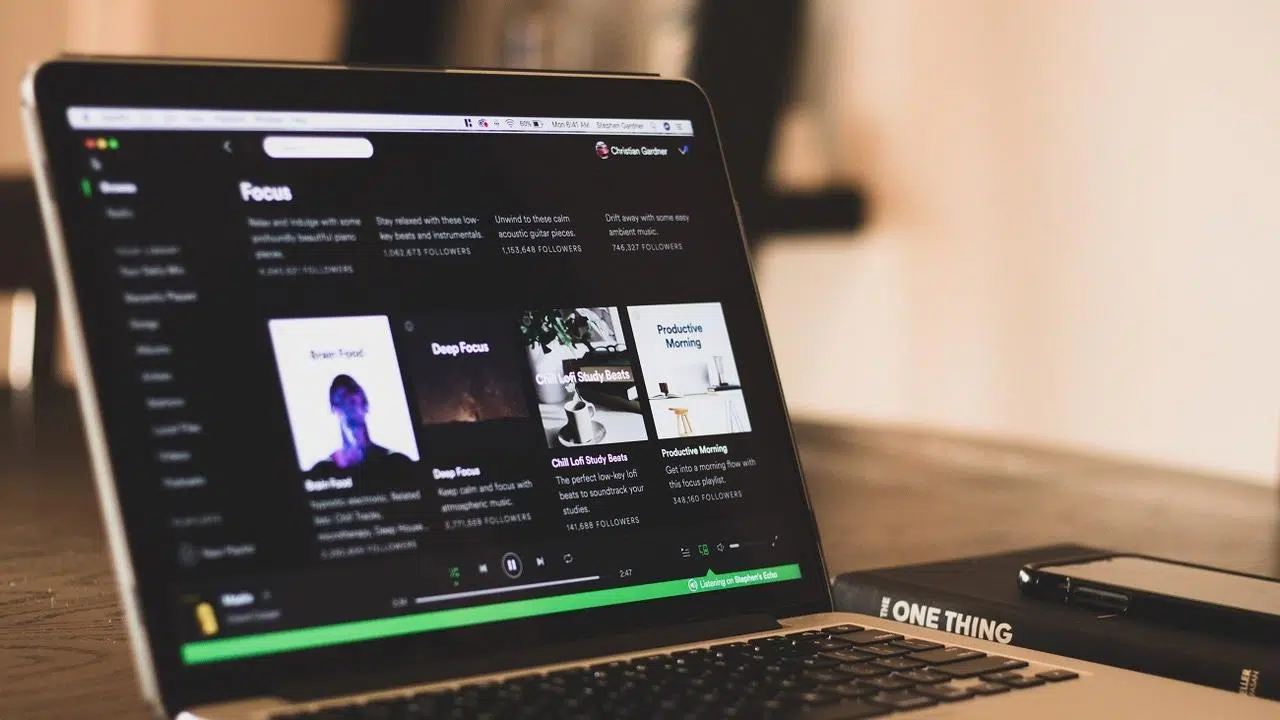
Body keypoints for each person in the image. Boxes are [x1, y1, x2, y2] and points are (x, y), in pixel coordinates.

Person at [309, 374, 411, 474]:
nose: (348, 404)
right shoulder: (323, 470)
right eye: (342, 399)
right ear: (335, 409)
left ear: (365, 406)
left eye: (353, 400)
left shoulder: (397, 463)